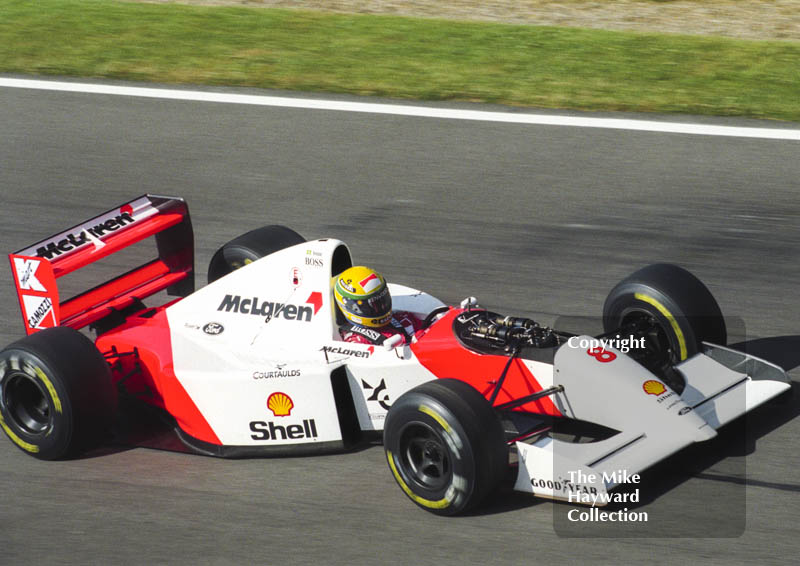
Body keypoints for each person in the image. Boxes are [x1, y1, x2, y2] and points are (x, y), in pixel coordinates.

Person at [333, 266, 422, 345]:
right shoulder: (357, 342)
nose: (381, 307)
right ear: (351, 306)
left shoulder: (404, 319)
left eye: (382, 300)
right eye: (370, 306)